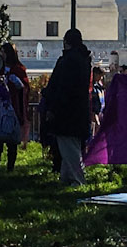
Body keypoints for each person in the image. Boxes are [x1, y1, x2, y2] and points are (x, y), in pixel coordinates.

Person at [40, 29, 94, 186]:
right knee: (71, 146)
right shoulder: (84, 60)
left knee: (68, 147)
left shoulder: (67, 61)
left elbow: (60, 87)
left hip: (66, 112)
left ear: (66, 42)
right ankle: (66, 178)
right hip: (79, 110)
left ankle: (78, 179)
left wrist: (51, 106)